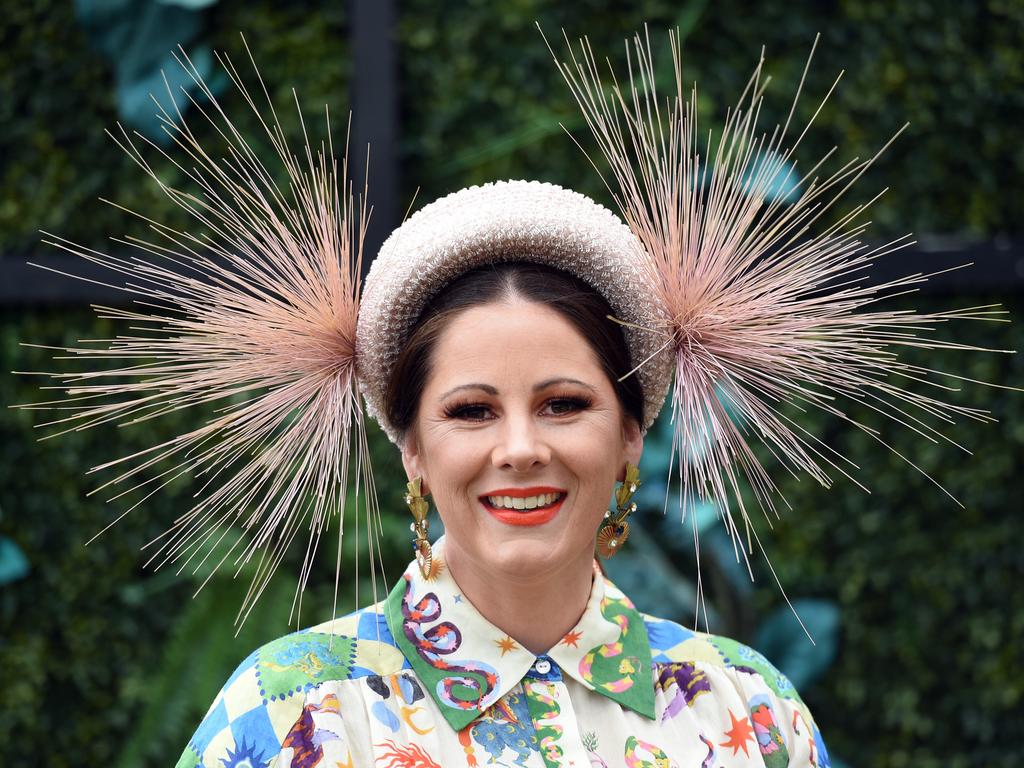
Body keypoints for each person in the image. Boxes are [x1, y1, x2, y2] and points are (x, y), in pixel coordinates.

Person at [174, 180, 830, 768]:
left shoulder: (751, 712)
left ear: (630, 433)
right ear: (414, 450)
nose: (520, 448)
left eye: (563, 404)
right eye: (472, 411)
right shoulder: (294, 715)